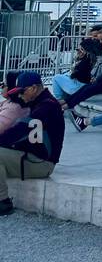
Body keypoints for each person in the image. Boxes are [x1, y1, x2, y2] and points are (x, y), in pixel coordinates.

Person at [0, 71, 65, 216]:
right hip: (33, 157)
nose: (21, 96)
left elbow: (19, 132)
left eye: (22, 92)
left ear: (34, 88)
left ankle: (3, 203)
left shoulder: (47, 107)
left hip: (42, 163)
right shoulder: (40, 103)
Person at [49, 37, 102, 103]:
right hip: (85, 85)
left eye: (82, 49)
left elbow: (75, 75)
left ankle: (59, 99)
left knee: (56, 78)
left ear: (86, 49)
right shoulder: (93, 58)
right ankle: (63, 99)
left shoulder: (86, 61)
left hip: (80, 86)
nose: (80, 51)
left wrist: (76, 66)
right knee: (64, 75)